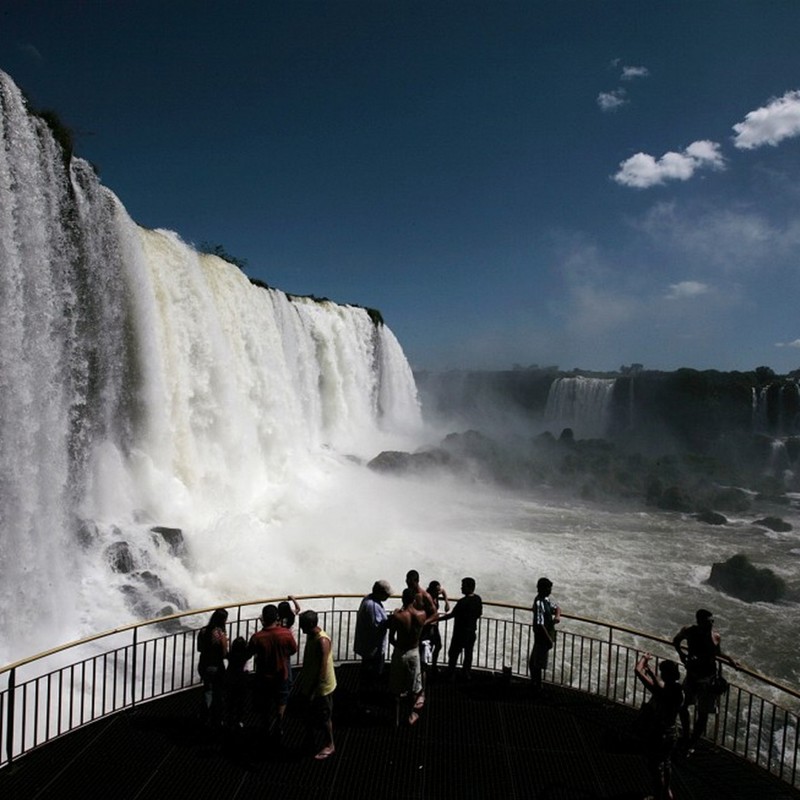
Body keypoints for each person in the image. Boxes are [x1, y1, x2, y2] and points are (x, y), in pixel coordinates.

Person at [672, 609, 739, 753]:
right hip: (692, 676)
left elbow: (716, 653)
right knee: (682, 705)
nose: (711, 624)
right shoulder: (689, 631)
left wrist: (730, 660)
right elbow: (676, 641)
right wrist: (682, 656)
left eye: (712, 621)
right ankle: (686, 735)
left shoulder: (715, 636)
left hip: (708, 679)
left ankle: (691, 742)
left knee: (702, 714)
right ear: (699, 621)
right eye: (709, 621)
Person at [634, 653, 684, 800]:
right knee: (666, 762)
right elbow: (662, 685)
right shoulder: (679, 691)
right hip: (672, 731)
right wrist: (651, 673)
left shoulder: (660, 692)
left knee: (654, 766)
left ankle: (659, 796)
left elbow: (637, 671)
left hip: (658, 733)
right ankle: (667, 792)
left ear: (666, 675)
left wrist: (644, 659)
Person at [247, 604, 298, 740]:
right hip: (281, 674)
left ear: (263, 619)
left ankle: (265, 725)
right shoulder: (285, 633)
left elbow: (249, 652)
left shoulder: (257, 637)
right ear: (276, 618)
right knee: (281, 700)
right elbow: (294, 649)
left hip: (263, 676)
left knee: (265, 701)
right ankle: (279, 724)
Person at [296, 610, 337, 760]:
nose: (301, 629)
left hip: (321, 688)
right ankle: (311, 739)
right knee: (309, 714)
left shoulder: (322, 641)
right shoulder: (311, 635)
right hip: (310, 683)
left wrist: (313, 691)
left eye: (303, 626)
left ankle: (330, 744)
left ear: (311, 625)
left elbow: (322, 668)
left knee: (325, 717)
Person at [388, 587, 430, 725]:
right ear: (414, 600)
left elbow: (391, 638)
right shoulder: (422, 615)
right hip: (414, 652)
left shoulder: (397, 616)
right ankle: (411, 715)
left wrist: (398, 646)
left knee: (396, 689)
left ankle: (395, 718)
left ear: (402, 599)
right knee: (413, 688)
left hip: (400, 651)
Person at [354, 579, 392, 695]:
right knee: (372, 673)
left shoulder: (368, 599)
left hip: (369, 646)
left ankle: (366, 694)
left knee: (367, 671)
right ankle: (368, 696)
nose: (388, 597)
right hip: (373, 648)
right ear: (380, 593)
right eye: (386, 594)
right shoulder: (372, 606)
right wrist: (394, 619)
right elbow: (378, 626)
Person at [440, 577, 483, 680]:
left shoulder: (463, 602)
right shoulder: (478, 599)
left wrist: (437, 619)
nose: (461, 588)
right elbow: (479, 613)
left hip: (460, 634)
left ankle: (451, 674)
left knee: (453, 654)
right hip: (471, 632)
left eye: (463, 586)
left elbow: (452, 615)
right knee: (468, 655)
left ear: (469, 587)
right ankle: (466, 673)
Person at [196, 607, 229, 725]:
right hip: (216, 665)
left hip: (204, 664)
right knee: (218, 692)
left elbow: (199, 648)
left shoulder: (203, 631)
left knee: (207, 690)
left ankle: (204, 717)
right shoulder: (220, 634)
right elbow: (224, 653)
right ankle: (217, 719)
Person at [528, 577, 561, 694]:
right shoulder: (539, 603)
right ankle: (537, 685)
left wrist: (557, 616)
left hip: (544, 636)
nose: (550, 591)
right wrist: (548, 639)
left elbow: (557, 607)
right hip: (543, 636)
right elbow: (540, 624)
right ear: (541, 589)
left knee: (535, 663)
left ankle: (536, 685)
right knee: (535, 663)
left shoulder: (545, 600)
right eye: (548, 588)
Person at [421, 580, 450, 674]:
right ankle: (425, 666)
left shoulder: (435, 594)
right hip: (428, 626)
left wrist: (446, 602)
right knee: (427, 646)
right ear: (431, 590)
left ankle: (433, 665)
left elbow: (443, 591)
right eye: (436, 591)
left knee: (438, 645)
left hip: (434, 625)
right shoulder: (426, 597)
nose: (438, 592)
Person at [226, 635, 249, 729]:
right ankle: (239, 720)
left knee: (230, 701)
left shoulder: (230, 655)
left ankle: (229, 719)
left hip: (231, 678)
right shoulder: (245, 655)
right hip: (241, 678)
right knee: (241, 701)